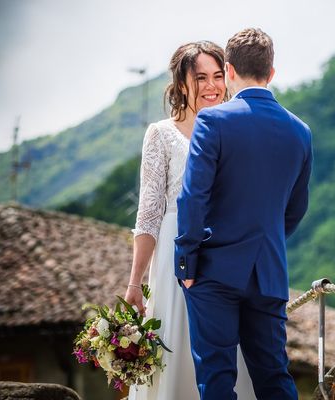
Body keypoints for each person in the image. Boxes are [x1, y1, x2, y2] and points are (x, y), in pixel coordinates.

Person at [175, 28, 312, 400]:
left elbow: (193, 198)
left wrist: (187, 263)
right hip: (269, 273)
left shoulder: (213, 122)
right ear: (272, 72)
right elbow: (296, 209)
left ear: (230, 70)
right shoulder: (301, 132)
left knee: (217, 379)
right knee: (274, 377)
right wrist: (265, 242)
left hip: (213, 271)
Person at [124, 41, 256, 400]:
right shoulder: (161, 134)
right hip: (173, 256)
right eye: (201, 77)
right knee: (174, 347)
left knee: (227, 357)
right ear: (182, 83)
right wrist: (135, 282)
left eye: (217, 76)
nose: (212, 86)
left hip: (227, 258)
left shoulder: (237, 130)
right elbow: (149, 213)